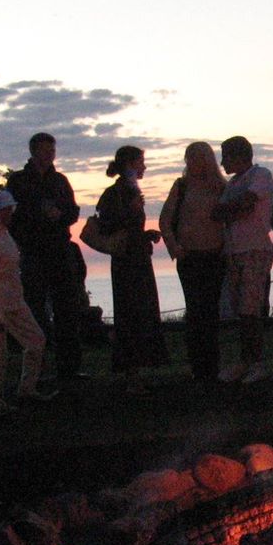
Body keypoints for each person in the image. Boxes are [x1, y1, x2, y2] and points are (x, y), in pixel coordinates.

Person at [4, 132, 84, 388]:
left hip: (60, 250)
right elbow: (11, 216)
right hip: (33, 252)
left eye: (52, 150)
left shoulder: (60, 180)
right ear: (33, 151)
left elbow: (73, 211)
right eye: (45, 150)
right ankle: (36, 372)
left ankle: (69, 369)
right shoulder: (18, 181)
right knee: (35, 310)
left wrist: (59, 215)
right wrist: (37, 217)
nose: (50, 154)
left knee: (67, 309)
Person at [94, 145, 169, 394]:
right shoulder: (118, 192)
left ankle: (136, 373)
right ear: (130, 164)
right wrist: (131, 213)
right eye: (141, 162)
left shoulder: (125, 190)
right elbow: (108, 224)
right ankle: (132, 376)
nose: (144, 167)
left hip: (134, 258)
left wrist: (143, 233)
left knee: (138, 312)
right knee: (132, 313)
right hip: (128, 262)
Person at [160, 141, 229, 384]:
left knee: (210, 311)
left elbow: (229, 221)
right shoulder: (181, 186)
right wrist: (175, 247)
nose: (195, 162)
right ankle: (197, 366)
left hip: (214, 256)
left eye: (200, 157)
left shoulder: (221, 187)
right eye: (191, 157)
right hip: (190, 257)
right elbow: (165, 220)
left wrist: (226, 248)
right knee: (195, 310)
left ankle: (211, 366)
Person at [213, 136, 273, 385]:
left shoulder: (260, 175)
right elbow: (223, 212)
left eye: (226, 156)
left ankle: (257, 362)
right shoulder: (234, 183)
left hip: (254, 250)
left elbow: (247, 204)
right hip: (235, 252)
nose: (222, 162)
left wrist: (230, 209)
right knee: (241, 310)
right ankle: (245, 360)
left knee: (251, 309)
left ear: (240, 156)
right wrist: (233, 209)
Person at [0, 189, 47, 409]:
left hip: (14, 300)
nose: (10, 213)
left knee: (36, 340)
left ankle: (27, 388)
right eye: (6, 209)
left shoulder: (4, 234)